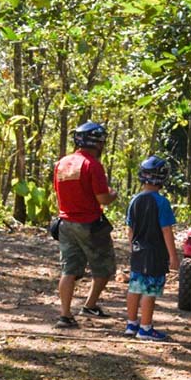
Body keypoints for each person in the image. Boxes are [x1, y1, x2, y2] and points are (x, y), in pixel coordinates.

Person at [52, 121, 118, 328]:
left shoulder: (62, 163)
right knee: (105, 267)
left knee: (68, 270)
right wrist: (113, 195)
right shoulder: (93, 165)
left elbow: (58, 194)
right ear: (97, 143)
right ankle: (89, 304)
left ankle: (65, 315)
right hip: (89, 224)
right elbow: (103, 199)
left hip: (65, 223)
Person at [123, 156, 179, 340]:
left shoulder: (134, 200)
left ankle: (131, 324)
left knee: (135, 286)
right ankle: (145, 328)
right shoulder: (161, 203)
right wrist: (173, 256)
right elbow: (166, 231)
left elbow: (130, 229)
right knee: (149, 290)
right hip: (155, 252)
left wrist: (133, 248)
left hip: (138, 251)